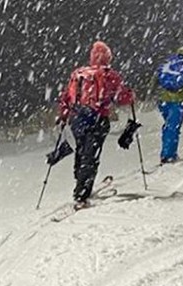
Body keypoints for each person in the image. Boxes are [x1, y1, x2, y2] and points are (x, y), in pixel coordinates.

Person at [56, 40, 134, 209]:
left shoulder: (78, 74)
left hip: (77, 119)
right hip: (98, 119)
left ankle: (80, 181)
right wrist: (130, 95)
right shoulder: (109, 75)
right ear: (107, 58)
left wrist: (63, 115)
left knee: (81, 151)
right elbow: (121, 98)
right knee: (91, 155)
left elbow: (66, 98)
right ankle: (82, 192)